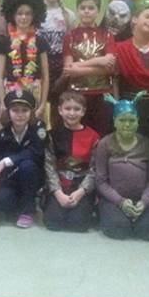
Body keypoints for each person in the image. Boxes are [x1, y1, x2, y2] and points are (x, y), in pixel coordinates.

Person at [95, 93, 149, 241]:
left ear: (137, 121)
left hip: (140, 200)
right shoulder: (105, 144)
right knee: (119, 230)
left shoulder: (147, 144)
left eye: (131, 120)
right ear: (115, 122)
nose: (127, 124)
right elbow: (100, 181)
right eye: (122, 120)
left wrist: (144, 202)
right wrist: (121, 201)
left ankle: (136, 217)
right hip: (113, 200)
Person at [42, 91, 99, 232]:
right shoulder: (52, 135)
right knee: (53, 223)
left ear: (83, 111)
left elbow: (94, 169)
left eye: (77, 109)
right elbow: (49, 167)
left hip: (81, 186)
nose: (72, 113)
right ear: (60, 110)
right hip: (60, 186)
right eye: (67, 108)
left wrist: (81, 192)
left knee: (78, 224)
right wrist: (58, 193)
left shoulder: (93, 136)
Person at [61, 0, 116, 136]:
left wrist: (79, 67)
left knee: (102, 135)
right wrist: (99, 61)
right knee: (79, 134)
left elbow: (109, 67)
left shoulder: (107, 35)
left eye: (91, 8)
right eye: (83, 7)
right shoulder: (70, 36)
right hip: (77, 95)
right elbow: (68, 69)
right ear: (77, 10)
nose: (86, 11)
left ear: (98, 11)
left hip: (102, 94)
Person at [0, 89, 45, 228]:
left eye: (24, 110)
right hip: (11, 179)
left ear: (31, 112)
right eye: (15, 110)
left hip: (32, 177)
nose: (20, 115)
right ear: (8, 112)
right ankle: (20, 205)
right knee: (2, 201)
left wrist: (8, 160)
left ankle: (28, 210)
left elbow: (36, 151)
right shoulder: (2, 134)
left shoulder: (38, 129)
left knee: (27, 165)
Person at [0, 0, 49, 123]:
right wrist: (2, 103)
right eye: (19, 13)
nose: (23, 17)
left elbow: (45, 76)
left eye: (28, 13)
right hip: (11, 92)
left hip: (34, 92)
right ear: (12, 15)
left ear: (35, 15)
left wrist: (42, 105)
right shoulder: (5, 42)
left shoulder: (40, 42)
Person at [114, 5, 149, 139]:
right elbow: (115, 80)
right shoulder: (120, 49)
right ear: (134, 19)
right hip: (130, 106)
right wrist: (117, 105)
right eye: (147, 16)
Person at [38, 0, 76, 93]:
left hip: (60, 63)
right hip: (39, 61)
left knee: (60, 97)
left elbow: (71, 43)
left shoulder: (69, 15)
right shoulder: (35, 13)